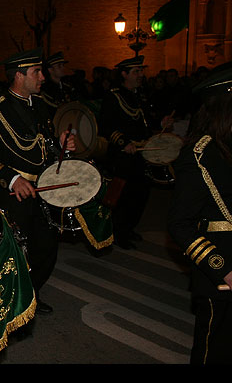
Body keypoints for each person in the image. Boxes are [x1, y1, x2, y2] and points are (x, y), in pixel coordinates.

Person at [0, 48, 75, 314]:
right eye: (36, 72)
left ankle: (31, 295)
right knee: (15, 254)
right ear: (19, 76)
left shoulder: (41, 105)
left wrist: (63, 145)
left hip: (44, 190)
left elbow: (44, 144)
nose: (42, 77)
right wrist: (12, 179)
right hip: (15, 195)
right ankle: (10, 306)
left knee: (46, 249)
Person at [167, 61, 232, 364]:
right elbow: (180, 224)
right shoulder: (198, 156)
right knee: (212, 350)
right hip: (220, 271)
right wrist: (223, 269)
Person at [97, 55, 173, 249]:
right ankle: (118, 232)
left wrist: (160, 124)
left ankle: (129, 227)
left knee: (141, 194)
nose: (141, 75)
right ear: (124, 74)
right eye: (136, 71)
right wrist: (124, 142)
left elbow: (144, 122)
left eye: (141, 71)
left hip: (142, 152)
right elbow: (105, 125)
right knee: (123, 195)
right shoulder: (113, 96)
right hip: (122, 155)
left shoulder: (139, 95)